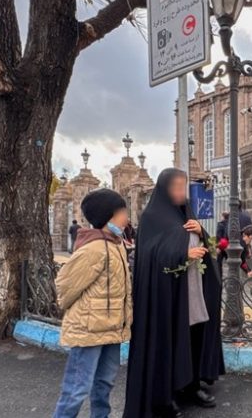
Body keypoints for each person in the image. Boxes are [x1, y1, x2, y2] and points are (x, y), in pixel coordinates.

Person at [124, 169, 224, 418]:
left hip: (193, 292)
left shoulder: (187, 212)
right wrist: (182, 254)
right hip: (168, 296)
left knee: (193, 339)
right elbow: (149, 256)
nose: (182, 191)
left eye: (184, 186)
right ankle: (165, 396)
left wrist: (202, 232)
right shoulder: (152, 217)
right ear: (164, 188)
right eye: (177, 186)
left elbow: (207, 246)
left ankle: (191, 387)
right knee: (170, 342)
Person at [52, 189, 132, 418]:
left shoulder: (117, 245)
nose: (126, 218)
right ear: (108, 216)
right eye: (122, 212)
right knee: (77, 389)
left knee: (104, 385)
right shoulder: (93, 250)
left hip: (111, 328)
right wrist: (86, 313)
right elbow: (65, 288)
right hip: (89, 330)